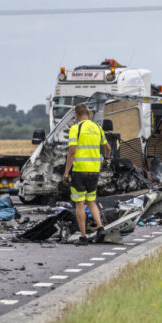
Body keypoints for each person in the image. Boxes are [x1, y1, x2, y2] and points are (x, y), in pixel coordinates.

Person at [63, 103, 111, 245]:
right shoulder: (97, 128)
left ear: (77, 115)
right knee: (91, 201)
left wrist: (66, 172)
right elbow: (107, 148)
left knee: (79, 204)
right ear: (88, 114)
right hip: (94, 171)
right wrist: (106, 159)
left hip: (79, 171)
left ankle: (83, 237)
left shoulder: (75, 128)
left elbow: (72, 150)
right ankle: (100, 227)